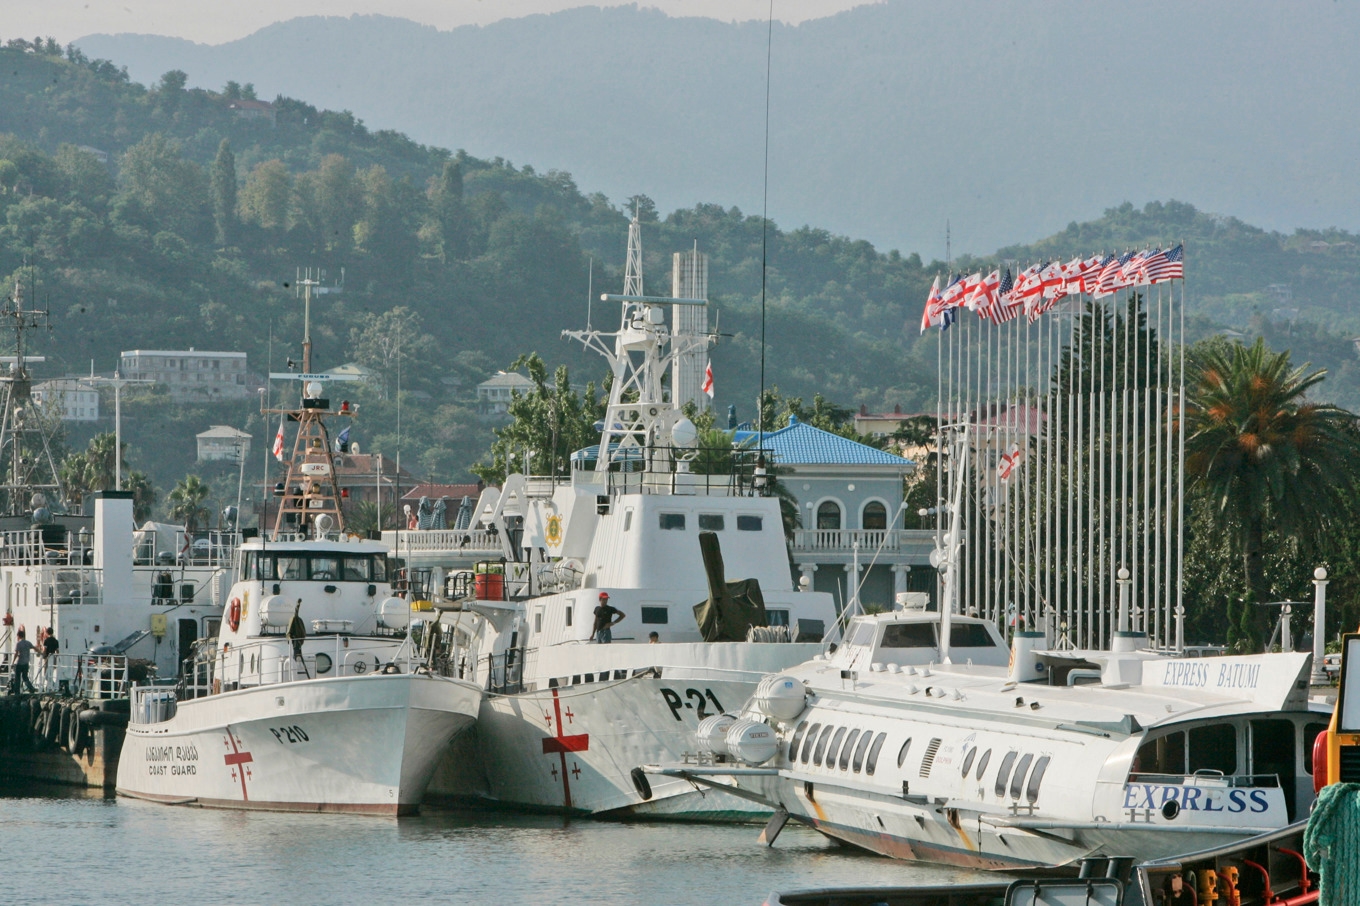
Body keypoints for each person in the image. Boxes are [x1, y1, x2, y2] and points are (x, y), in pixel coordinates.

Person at [11, 629, 36, 694]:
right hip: (26, 663)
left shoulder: (18, 643)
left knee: (17, 678)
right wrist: (41, 653)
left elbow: (16, 653)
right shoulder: (28, 643)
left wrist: (13, 661)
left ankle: (17, 692)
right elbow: (34, 647)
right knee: (25, 677)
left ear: (18, 636)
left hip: (19, 663)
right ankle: (31, 688)